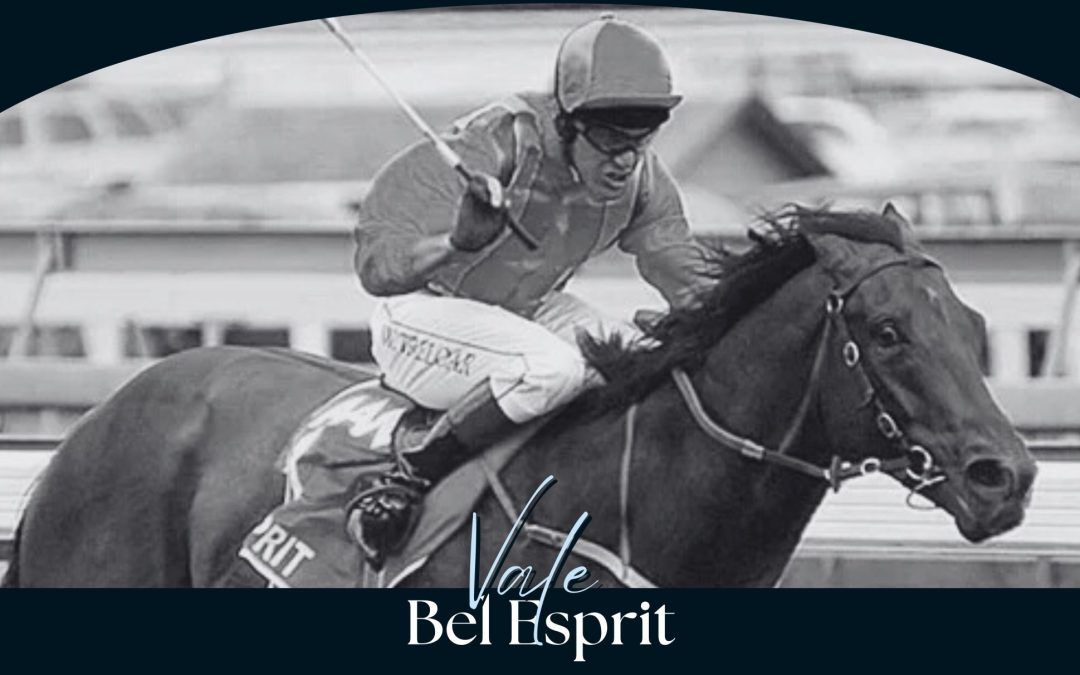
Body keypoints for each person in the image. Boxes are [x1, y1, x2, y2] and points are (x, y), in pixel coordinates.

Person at [350, 14, 714, 563]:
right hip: (419, 316)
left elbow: (683, 271)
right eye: (610, 139)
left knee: (639, 361)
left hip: (524, 312)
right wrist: (455, 243)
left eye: (642, 136)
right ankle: (408, 476)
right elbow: (376, 271)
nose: (625, 160)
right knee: (553, 369)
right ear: (567, 122)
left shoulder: (642, 180)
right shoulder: (492, 147)